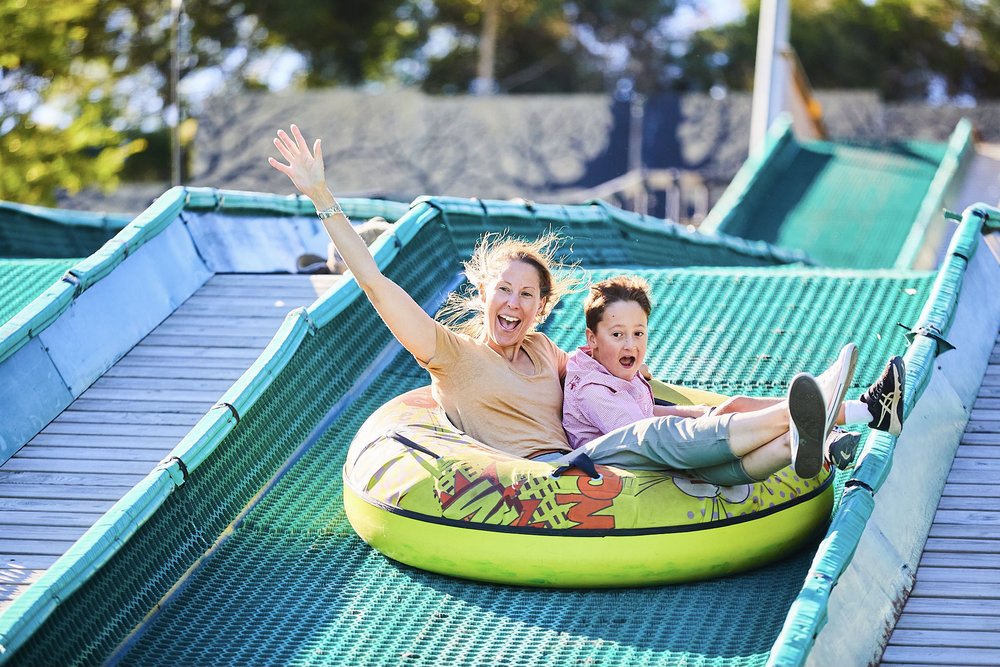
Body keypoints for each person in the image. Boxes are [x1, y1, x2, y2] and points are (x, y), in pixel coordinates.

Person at [268, 125, 902, 480]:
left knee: (715, 432)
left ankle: (854, 416)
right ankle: (814, 411)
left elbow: (615, 384)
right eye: (503, 290)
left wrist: (670, 388)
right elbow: (377, 285)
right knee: (650, 434)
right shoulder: (451, 355)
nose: (513, 303)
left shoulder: (547, 352)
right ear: (484, 294)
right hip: (558, 474)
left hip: (601, 457)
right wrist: (323, 197)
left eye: (527, 295)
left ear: (542, 308)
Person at [561, 276, 905, 483]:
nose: (630, 345)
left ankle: (866, 411)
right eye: (617, 334)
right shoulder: (592, 389)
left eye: (638, 333)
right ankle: (822, 409)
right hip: (636, 467)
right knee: (674, 430)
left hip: (666, 458)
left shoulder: (616, 370)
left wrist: (702, 413)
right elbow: (640, 438)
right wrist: (698, 421)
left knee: (737, 408)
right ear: (593, 339)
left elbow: (646, 413)